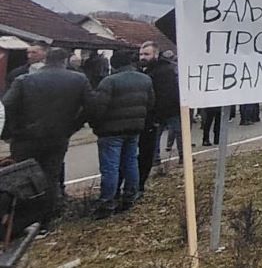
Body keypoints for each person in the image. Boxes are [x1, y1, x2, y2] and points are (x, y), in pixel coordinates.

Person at [1, 47, 88, 218]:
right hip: (58, 136)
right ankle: (45, 219)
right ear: (65, 61)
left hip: (25, 137)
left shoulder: (23, 80)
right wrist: (73, 126)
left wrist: (9, 132)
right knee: (50, 177)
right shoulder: (79, 79)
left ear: (45, 60)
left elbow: (6, 107)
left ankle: (22, 219)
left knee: (22, 178)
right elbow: (91, 106)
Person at [87, 49, 153, 216]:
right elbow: (151, 103)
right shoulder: (145, 79)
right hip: (135, 128)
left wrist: (96, 126)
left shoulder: (109, 82)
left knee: (111, 167)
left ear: (114, 64)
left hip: (111, 131)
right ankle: (130, 196)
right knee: (131, 162)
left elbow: (99, 108)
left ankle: (107, 202)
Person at [137, 41, 180, 189]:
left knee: (179, 133)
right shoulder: (144, 71)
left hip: (167, 109)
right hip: (155, 111)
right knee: (153, 139)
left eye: (146, 54)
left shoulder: (164, 70)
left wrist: (157, 111)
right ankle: (156, 163)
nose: (143, 57)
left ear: (155, 54)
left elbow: (168, 93)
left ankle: (183, 158)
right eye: (141, 54)